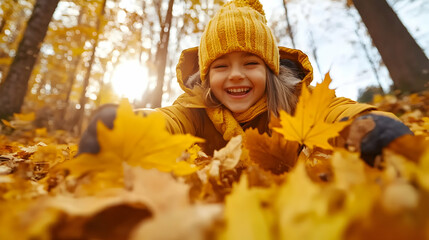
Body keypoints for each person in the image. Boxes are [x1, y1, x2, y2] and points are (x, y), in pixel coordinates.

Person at [78, 0, 412, 166]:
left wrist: (366, 126)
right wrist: (137, 125)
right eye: (221, 66)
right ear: (207, 76)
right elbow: (170, 121)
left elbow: (335, 113)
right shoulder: (196, 108)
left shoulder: (296, 101)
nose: (236, 74)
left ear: (269, 70)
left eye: (250, 63)